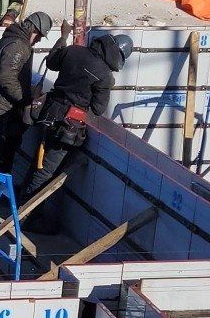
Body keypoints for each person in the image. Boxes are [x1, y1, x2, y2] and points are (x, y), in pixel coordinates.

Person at [16, 30, 131, 199]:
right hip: (67, 125)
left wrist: (62, 38)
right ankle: (22, 215)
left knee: (39, 163)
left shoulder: (73, 50)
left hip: (48, 112)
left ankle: (19, 203)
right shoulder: (105, 76)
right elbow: (98, 109)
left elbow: (51, 62)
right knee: (46, 171)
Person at [0, 12, 52, 172]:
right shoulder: (18, 45)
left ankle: (0, 184)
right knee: (4, 147)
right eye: (39, 37)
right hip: (3, 104)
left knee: (3, 145)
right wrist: (24, 99)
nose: (39, 41)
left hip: (1, 101)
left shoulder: (13, 39)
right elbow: (7, 77)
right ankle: (0, 187)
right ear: (34, 31)